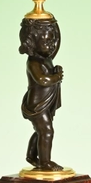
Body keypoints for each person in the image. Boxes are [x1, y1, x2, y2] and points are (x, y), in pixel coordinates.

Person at [19, 18, 64, 171]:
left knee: (41, 130)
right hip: (37, 104)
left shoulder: (46, 58)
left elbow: (57, 43)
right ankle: (45, 162)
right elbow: (42, 80)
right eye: (46, 42)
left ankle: (32, 156)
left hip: (46, 102)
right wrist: (56, 77)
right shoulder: (34, 62)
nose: (51, 45)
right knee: (46, 131)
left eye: (51, 42)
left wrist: (53, 25)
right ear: (33, 43)